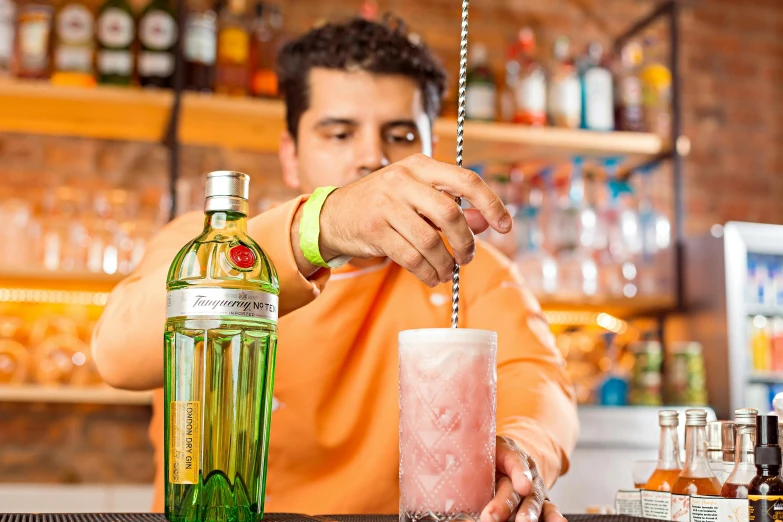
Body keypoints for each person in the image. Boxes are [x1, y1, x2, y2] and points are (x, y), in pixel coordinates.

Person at [91, 17, 579, 522]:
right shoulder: (204, 248)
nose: (372, 158)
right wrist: (321, 225)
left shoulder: (471, 270)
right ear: (291, 155)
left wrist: (521, 451)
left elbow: (539, 383)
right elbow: (116, 354)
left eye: (401, 134)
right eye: (340, 133)